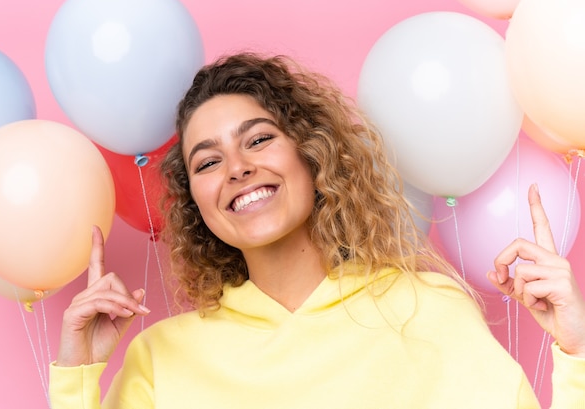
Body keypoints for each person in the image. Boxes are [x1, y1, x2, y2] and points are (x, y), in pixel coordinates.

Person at [49, 53, 585, 408]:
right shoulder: (160, 358)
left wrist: (577, 349)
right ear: (197, 205)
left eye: (258, 140)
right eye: (207, 163)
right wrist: (77, 376)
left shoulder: (429, 311)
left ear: (312, 154)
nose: (237, 167)